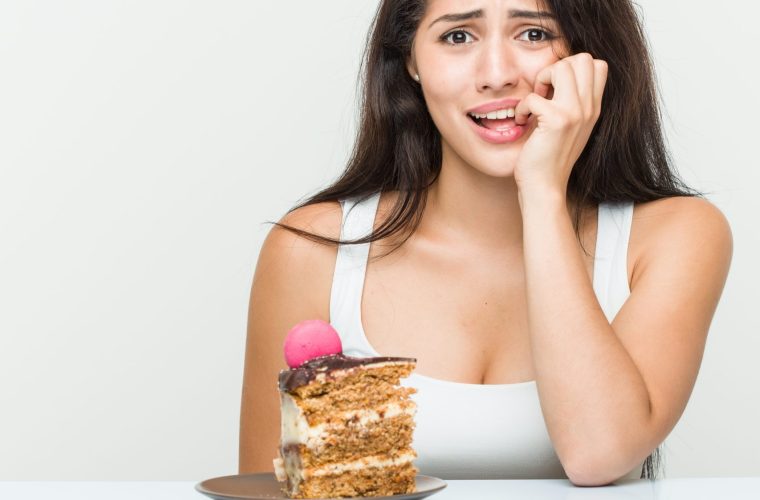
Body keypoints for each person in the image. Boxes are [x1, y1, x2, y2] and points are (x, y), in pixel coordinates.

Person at [239, 0, 732, 486]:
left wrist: (540, 191)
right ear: (411, 60)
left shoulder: (675, 236)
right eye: (458, 36)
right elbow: (265, 489)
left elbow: (598, 455)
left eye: (534, 34)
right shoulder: (313, 250)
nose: (497, 74)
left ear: (589, 56)